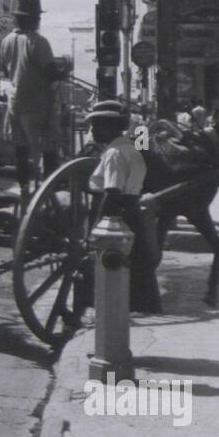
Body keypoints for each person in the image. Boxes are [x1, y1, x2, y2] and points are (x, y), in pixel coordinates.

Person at [86, 99, 162, 314]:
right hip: (132, 212)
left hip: (116, 214)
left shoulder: (113, 154)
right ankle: (145, 306)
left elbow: (112, 193)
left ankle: (108, 312)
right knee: (139, 263)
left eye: (97, 125)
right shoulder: (132, 149)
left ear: (109, 127)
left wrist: (95, 229)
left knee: (110, 264)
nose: (93, 130)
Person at [0, 0, 62, 200]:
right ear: (33, 19)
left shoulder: (6, 41)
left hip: (14, 103)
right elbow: (50, 72)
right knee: (49, 146)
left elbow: (4, 69)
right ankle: (49, 190)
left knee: (21, 149)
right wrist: (64, 72)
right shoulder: (39, 42)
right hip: (36, 104)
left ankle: (23, 187)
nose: (39, 21)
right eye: (37, 17)